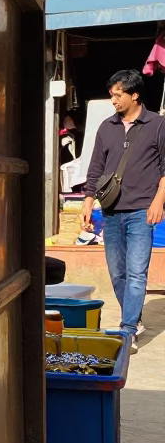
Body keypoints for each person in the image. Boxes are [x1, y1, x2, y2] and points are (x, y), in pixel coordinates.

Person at [81, 70, 165, 350]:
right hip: (111, 211)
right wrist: (87, 201)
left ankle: (128, 329)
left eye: (118, 95)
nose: (113, 100)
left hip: (142, 210)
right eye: (112, 95)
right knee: (118, 273)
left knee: (137, 272)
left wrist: (158, 201)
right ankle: (136, 317)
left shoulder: (158, 125)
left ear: (135, 95)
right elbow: (95, 168)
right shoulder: (107, 127)